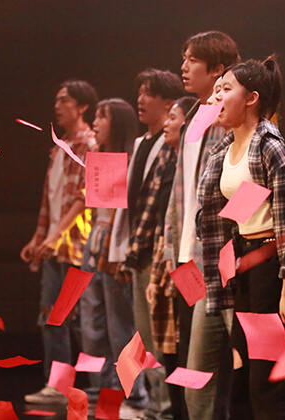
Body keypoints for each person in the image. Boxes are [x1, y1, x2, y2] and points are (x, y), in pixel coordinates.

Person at [199, 56, 285, 420]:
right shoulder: (223, 149)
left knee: (269, 377)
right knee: (242, 371)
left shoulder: (268, 144)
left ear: (251, 98)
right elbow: (225, 216)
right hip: (245, 264)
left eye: (225, 89)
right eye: (216, 90)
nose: (217, 97)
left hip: (272, 266)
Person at [162, 31, 240, 420]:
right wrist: (169, 249)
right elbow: (180, 190)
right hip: (187, 258)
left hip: (218, 258)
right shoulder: (193, 116)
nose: (184, 66)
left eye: (192, 59)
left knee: (228, 364)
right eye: (185, 58)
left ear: (217, 70)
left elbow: (238, 190)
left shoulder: (231, 120)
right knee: (194, 364)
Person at [109, 68, 184, 419]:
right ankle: (155, 404)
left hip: (160, 252)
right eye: (139, 92)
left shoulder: (171, 147)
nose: (140, 99)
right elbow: (130, 206)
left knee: (160, 335)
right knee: (144, 332)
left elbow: (162, 208)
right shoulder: (141, 144)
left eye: (148, 94)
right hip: (138, 250)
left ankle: (162, 407)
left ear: (169, 104)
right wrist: (122, 250)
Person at [20, 80, 98, 404]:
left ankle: (98, 389)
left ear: (82, 107)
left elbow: (85, 198)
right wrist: (38, 238)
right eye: (56, 100)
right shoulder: (59, 146)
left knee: (78, 319)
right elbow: (49, 200)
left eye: (64, 100)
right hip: (54, 247)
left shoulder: (90, 144)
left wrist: (55, 236)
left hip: (75, 248)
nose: (57, 106)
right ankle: (59, 387)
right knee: (52, 316)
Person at [78, 98, 150, 407]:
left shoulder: (132, 160)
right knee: (91, 318)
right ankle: (101, 385)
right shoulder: (100, 158)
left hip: (116, 243)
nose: (95, 123)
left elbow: (127, 214)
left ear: (117, 123)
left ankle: (133, 391)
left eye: (101, 117)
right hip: (95, 239)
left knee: (121, 322)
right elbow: (96, 210)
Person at [145, 96, 198, 420]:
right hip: (171, 262)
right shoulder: (174, 159)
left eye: (173, 117)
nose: (167, 122)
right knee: (172, 345)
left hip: (193, 262)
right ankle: (174, 411)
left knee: (191, 344)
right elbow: (168, 220)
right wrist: (159, 269)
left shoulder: (198, 157)